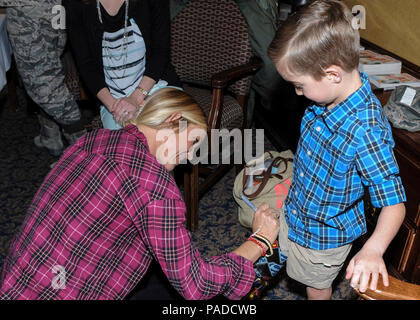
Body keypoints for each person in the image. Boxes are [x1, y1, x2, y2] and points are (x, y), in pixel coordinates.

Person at [0, 88, 280, 300]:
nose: (191, 156)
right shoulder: (156, 187)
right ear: (173, 120)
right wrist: (260, 240)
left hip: (19, 279)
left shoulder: (94, 137)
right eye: (194, 141)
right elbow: (196, 283)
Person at [260, 0, 406, 300]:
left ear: (332, 74)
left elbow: (394, 204)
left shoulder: (366, 131)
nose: (297, 93)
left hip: (325, 237)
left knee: (316, 285)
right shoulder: (324, 98)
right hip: (297, 210)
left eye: (299, 85)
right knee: (279, 256)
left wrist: (373, 249)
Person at [63, 0, 182, 130]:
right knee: (127, 146)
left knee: (170, 136)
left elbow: (160, 52)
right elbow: (86, 65)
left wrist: (136, 99)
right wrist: (115, 107)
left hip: (156, 86)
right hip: (112, 100)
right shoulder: (74, 4)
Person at [5, 0, 87, 157]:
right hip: (52, 8)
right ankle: (50, 135)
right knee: (51, 73)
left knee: (44, 83)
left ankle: (84, 153)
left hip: (28, 11)